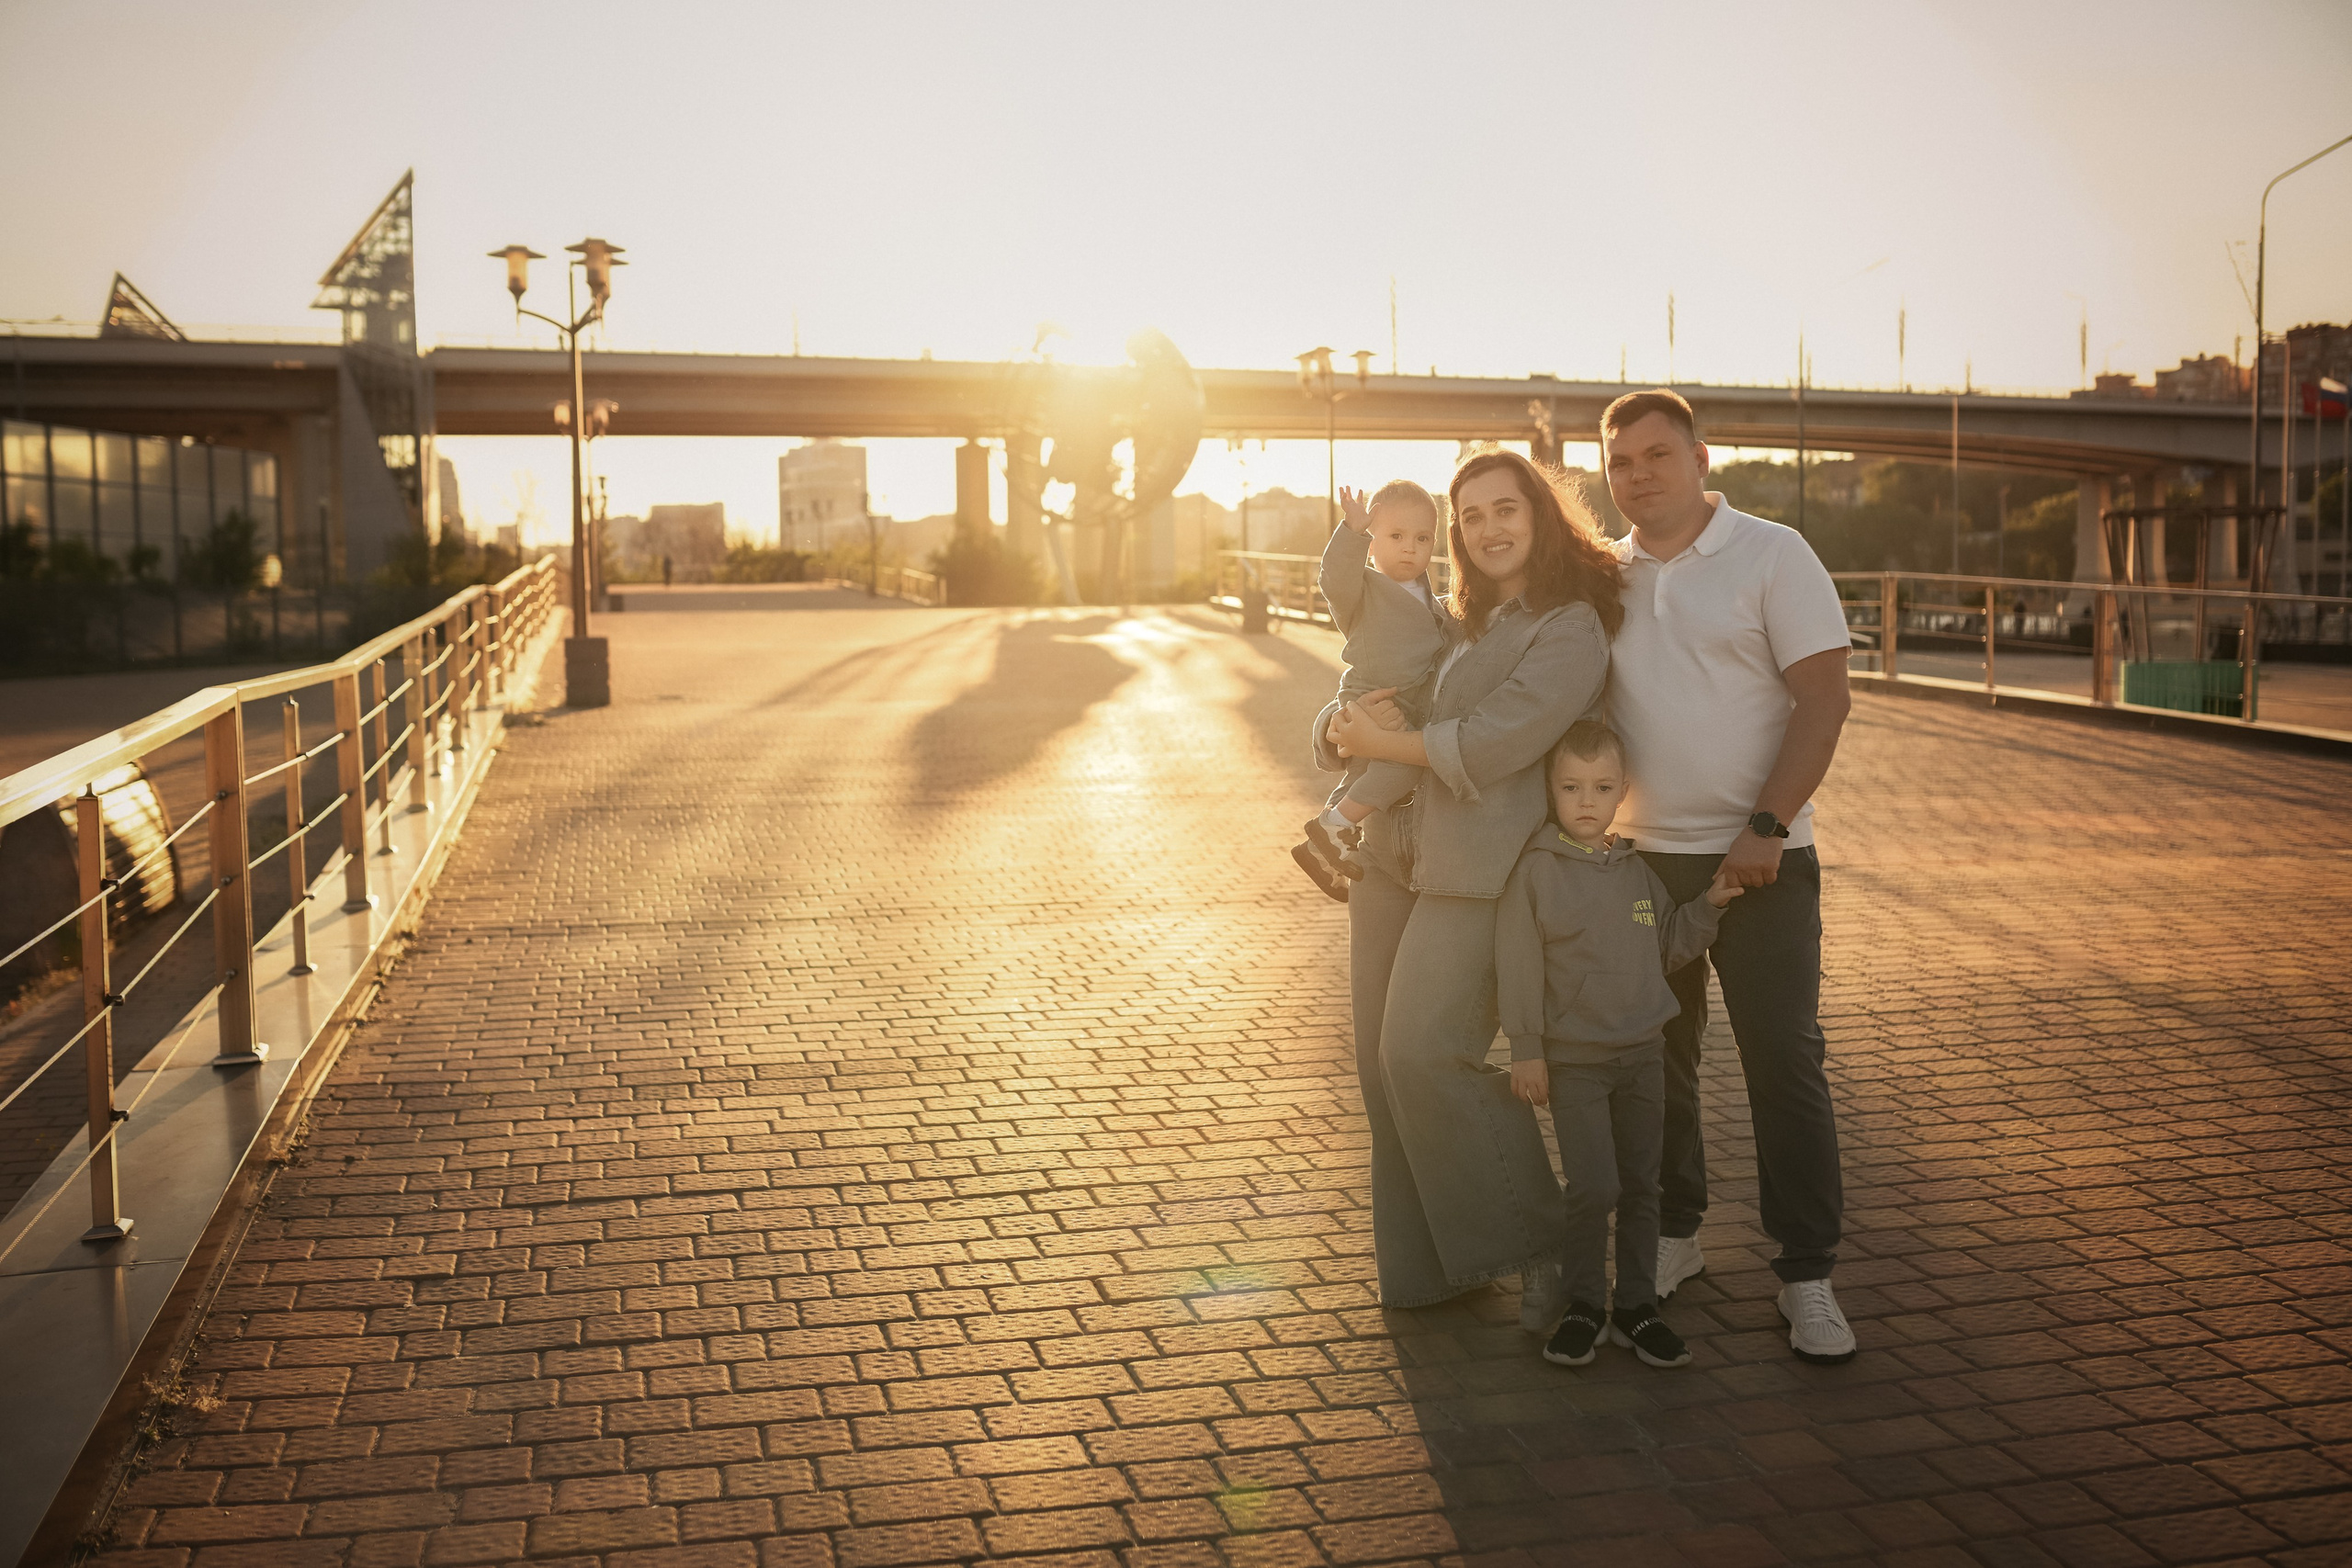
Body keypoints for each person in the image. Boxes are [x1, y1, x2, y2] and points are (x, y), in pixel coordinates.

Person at [1315, 446, 1620, 1322]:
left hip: (1477, 868)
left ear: (1540, 515)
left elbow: (1494, 741)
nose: (1488, 528)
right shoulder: (1451, 615)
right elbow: (1375, 689)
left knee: (1423, 1052)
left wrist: (1377, 744)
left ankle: (1542, 1247)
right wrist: (1334, 729)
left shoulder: (1567, 628)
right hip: (1389, 856)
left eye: (1505, 509)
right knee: (1381, 1071)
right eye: (1471, 515)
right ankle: (1432, 1269)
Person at [1598, 389, 1859, 1365]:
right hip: (1640, 859)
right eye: (1620, 462)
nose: (1638, 475)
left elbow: (1823, 700)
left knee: (1782, 1060)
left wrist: (1765, 826)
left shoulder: (1774, 553)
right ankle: (1676, 1232)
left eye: (1657, 454)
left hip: (1763, 858)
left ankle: (1807, 1272)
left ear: (1701, 459)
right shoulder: (1604, 576)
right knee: (1655, 1061)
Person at [1496, 720, 1741, 1368]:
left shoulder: (1636, 871)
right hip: (1575, 1061)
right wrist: (1526, 1047)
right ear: (1550, 788)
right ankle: (1583, 1304)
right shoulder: (1535, 873)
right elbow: (1517, 964)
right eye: (1571, 786)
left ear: (1623, 791)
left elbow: (1667, 946)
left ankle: (1635, 1307)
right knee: (1593, 1187)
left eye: (1602, 787)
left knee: (1641, 1186)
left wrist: (1711, 904)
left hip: (1643, 1058)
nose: (1586, 800)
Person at [1293, 480, 1446, 900]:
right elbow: (1333, 579)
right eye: (1396, 536)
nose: (1409, 548)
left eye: (1422, 538)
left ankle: (1324, 847)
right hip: (1370, 698)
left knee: (1363, 777)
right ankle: (1334, 826)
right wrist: (1351, 532)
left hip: (1403, 705)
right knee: (1404, 765)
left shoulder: (1434, 601)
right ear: (1373, 542)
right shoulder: (1362, 590)